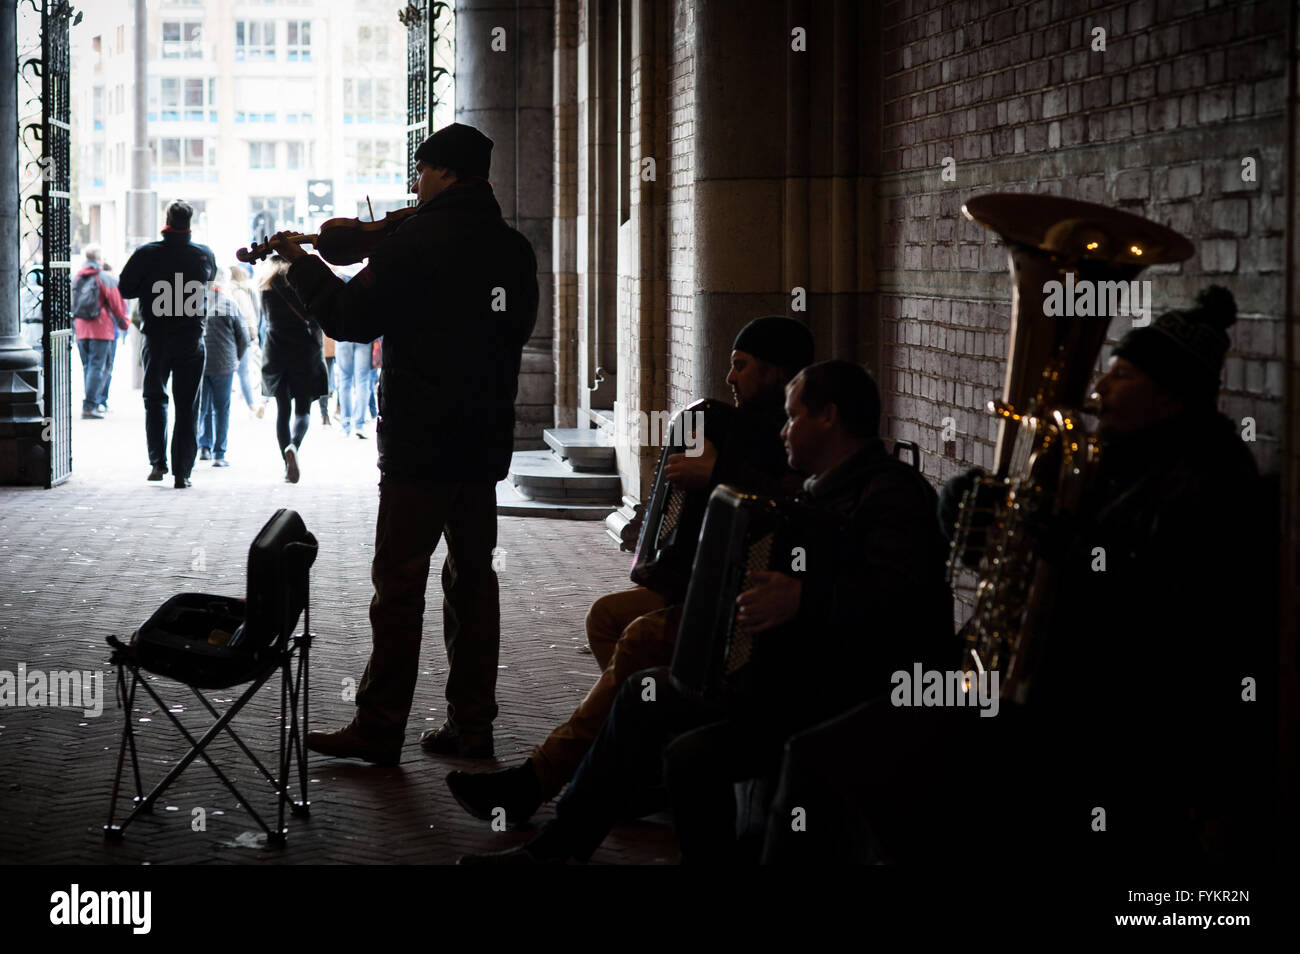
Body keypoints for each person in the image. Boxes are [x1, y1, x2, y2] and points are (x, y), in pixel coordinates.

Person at [459, 361, 954, 863]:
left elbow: (902, 607)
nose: (784, 430)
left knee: (688, 753)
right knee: (641, 694)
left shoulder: (891, 495)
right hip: (789, 682)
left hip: (846, 696)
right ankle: (556, 850)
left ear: (829, 417)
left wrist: (803, 599)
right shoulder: (814, 491)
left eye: (793, 417)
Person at [445, 315, 814, 824]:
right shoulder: (735, 424)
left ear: (776, 372)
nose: (729, 378)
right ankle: (644, 757)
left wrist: (717, 473)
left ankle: (538, 779)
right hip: (706, 591)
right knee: (606, 617)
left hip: (747, 615)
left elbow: (795, 501)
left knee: (640, 638)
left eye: (741, 365)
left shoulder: (801, 440)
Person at [265, 122, 539, 763]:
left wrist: (301, 265)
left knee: (399, 588)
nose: (414, 189)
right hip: (483, 442)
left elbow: (350, 319)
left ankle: (381, 724)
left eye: (420, 174)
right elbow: (515, 329)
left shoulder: (416, 240)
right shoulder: (511, 248)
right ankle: (474, 727)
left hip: (421, 442)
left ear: (441, 171)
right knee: (474, 584)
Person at [117, 201, 218, 488]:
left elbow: (125, 288)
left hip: (157, 337)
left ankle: (157, 462)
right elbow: (208, 281)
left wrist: (149, 288)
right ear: (190, 223)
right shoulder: (204, 255)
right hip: (190, 339)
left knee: (155, 398)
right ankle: (182, 472)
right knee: (187, 405)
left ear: (166, 221)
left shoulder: (147, 254)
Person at [259, 256, 328, 483]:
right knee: (303, 410)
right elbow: (316, 319)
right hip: (304, 355)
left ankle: (286, 464)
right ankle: (294, 446)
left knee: (283, 411)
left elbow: (266, 322)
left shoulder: (266, 290)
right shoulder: (302, 288)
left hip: (277, 354)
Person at [70, 246, 128, 420]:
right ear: (99, 259)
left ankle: (91, 402)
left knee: (88, 367)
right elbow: (116, 303)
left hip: (81, 327)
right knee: (97, 367)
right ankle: (90, 406)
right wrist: (123, 323)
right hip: (101, 328)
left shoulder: (77, 276)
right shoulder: (104, 277)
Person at [197, 282, 249, 467]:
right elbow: (243, 338)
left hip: (201, 364)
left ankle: (202, 446)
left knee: (201, 409)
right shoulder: (230, 305)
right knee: (221, 409)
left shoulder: (195, 304)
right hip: (224, 365)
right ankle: (219, 454)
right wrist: (237, 358)